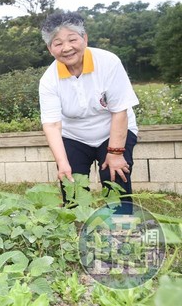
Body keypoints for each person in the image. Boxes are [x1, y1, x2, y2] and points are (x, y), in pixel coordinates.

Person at [38, 11, 139, 214]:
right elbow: (52, 124)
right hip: (74, 135)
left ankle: (123, 228)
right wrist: (62, 164)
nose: (66, 48)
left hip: (113, 130)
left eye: (72, 39)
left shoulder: (108, 62)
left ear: (84, 38)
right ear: (50, 49)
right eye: (57, 43)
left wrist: (115, 153)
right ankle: (75, 230)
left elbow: (119, 111)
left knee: (116, 177)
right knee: (72, 184)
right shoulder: (49, 80)